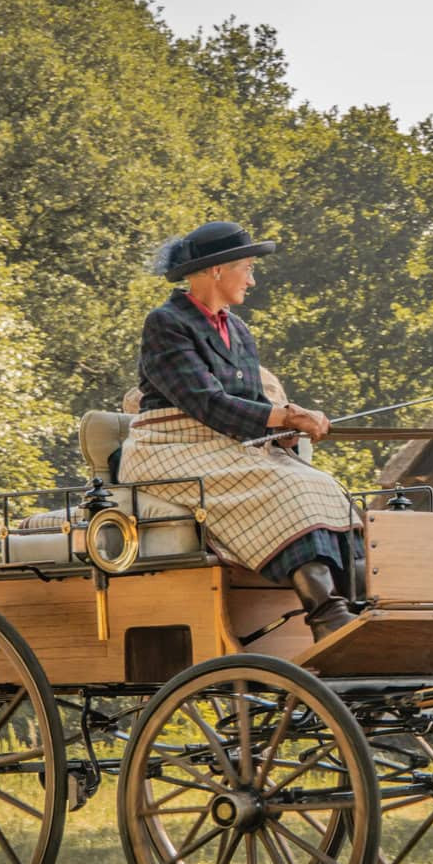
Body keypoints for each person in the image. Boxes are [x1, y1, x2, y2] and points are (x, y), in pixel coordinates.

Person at [118, 220, 359, 639]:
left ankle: (356, 604)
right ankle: (326, 615)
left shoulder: (240, 332)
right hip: (171, 447)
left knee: (326, 488)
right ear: (216, 271)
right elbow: (207, 402)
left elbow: (250, 402)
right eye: (247, 267)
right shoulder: (166, 323)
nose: (253, 278)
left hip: (229, 445)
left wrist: (285, 431)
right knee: (289, 490)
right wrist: (284, 417)